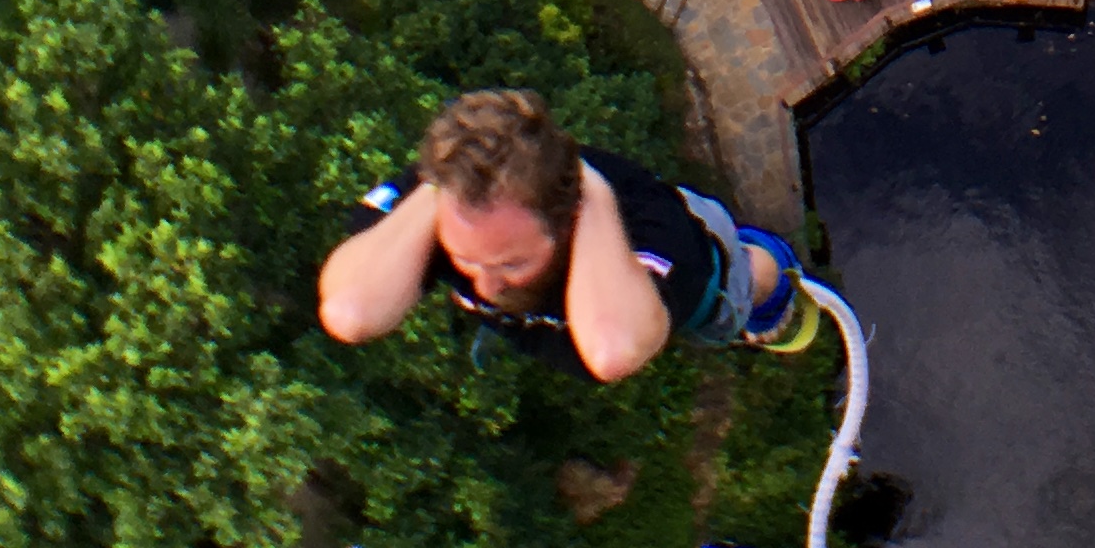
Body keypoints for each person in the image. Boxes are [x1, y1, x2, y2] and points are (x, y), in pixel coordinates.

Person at [317, 88, 818, 387]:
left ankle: (775, 279)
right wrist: (437, 188)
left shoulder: (649, 231)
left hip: (706, 271)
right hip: (571, 303)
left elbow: (614, 351)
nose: (487, 286)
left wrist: (592, 196)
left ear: (567, 219)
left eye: (512, 263)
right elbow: (349, 312)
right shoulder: (460, 199)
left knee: (747, 280)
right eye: (466, 260)